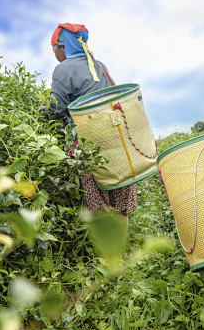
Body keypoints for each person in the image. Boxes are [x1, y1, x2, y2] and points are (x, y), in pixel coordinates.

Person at [48, 23, 137, 227]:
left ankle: (103, 256)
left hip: (88, 146)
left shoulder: (62, 69)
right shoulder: (99, 65)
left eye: (54, 48)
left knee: (96, 204)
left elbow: (55, 111)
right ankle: (119, 256)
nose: (54, 53)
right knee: (120, 203)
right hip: (116, 142)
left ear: (64, 47)